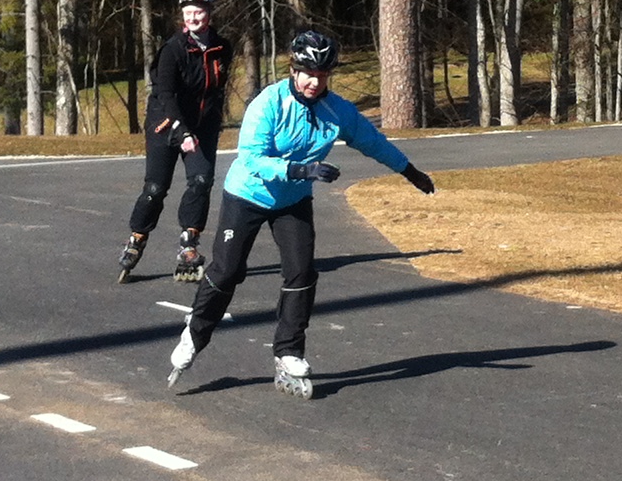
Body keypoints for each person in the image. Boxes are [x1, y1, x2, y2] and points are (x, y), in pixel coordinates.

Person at [166, 28, 436, 397]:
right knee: (228, 271)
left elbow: (373, 142)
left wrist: (409, 171)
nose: (314, 82)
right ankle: (195, 334)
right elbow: (252, 158)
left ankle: (289, 351)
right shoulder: (268, 103)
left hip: (292, 201)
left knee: (302, 271)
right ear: (293, 70)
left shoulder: (336, 110)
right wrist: (299, 170)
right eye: (308, 74)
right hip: (247, 194)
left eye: (322, 76)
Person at [120, 0, 232, 283]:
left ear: (209, 14)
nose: (193, 17)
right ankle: (137, 237)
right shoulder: (172, 50)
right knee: (156, 188)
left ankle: (189, 244)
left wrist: (211, 121)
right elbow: (166, 94)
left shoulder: (222, 48)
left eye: (199, 12)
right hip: (165, 123)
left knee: (202, 180)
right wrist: (181, 130)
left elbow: (217, 88)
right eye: (188, 12)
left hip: (201, 126)